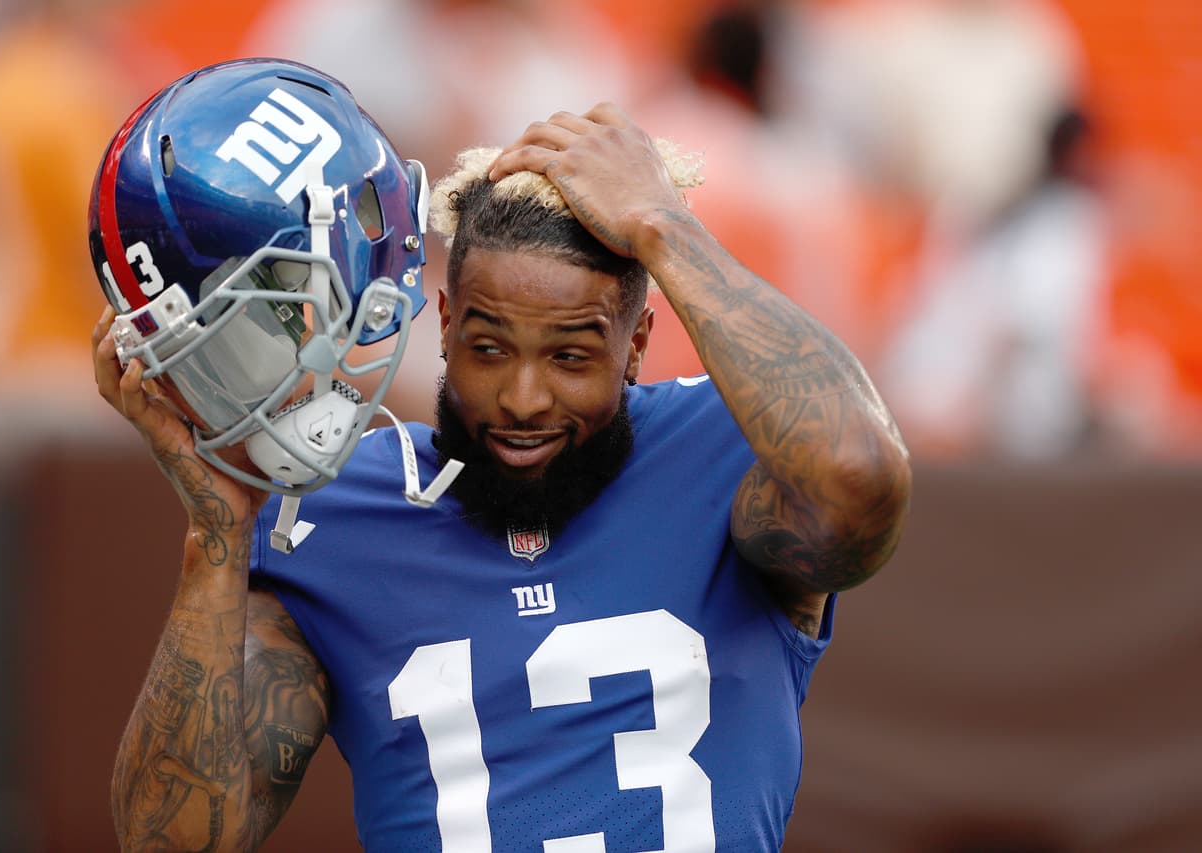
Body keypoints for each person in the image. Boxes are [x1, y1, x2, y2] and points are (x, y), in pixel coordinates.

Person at [92, 59, 911, 852]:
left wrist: (665, 225)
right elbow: (171, 840)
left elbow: (858, 480)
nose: (523, 398)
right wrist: (216, 538)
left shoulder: (724, 450)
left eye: (569, 356)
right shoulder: (335, 514)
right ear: (443, 325)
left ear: (636, 346)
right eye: (488, 349)